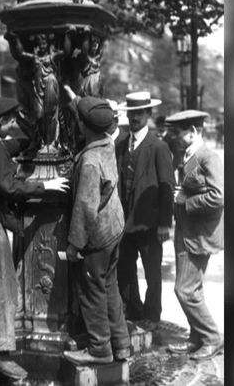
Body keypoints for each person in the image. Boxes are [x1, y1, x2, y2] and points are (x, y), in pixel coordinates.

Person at [0, 97, 69, 380]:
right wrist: (44, 184)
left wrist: (25, 141)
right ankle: (0, 355)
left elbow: (9, 146)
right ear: (4, 121)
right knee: (1, 288)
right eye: (12, 119)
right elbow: (8, 186)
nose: (14, 124)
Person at [59, 93, 131, 365]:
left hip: (97, 236)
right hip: (114, 228)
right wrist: (76, 98)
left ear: (82, 126)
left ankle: (100, 349)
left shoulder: (89, 161)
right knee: (109, 286)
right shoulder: (107, 143)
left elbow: (85, 207)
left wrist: (75, 245)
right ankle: (121, 344)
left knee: (91, 291)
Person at [164, 110, 224, 360]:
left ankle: (212, 338)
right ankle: (196, 337)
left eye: (177, 133)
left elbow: (218, 196)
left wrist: (185, 200)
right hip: (186, 232)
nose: (173, 137)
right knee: (193, 289)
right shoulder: (188, 155)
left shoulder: (208, 157)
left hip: (199, 235)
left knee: (185, 290)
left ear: (193, 132)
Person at [115, 92, 176, 324]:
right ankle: (134, 311)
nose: (134, 118)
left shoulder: (158, 147)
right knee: (126, 270)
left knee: (152, 273)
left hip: (150, 223)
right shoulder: (121, 146)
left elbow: (167, 187)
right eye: (131, 113)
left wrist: (164, 223)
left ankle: (152, 317)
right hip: (125, 223)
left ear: (149, 114)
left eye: (139, 113)